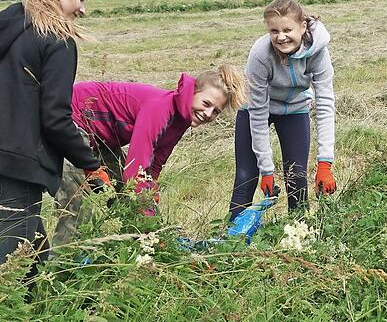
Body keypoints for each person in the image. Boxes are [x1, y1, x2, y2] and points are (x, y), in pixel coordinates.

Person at [53, 65, 247, 245]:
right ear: (193, 92)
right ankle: (60, 266)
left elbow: (154, 165)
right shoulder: (160, 108)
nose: (207, 113)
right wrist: (148, 214)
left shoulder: (181, 121)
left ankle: (139, 246)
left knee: (124, 196)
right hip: (72, 119)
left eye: (215, 112)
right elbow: (134, 170)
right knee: (77, 203)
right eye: (206, 103)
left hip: (101, 138)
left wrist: (150, 197)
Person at [0, 0, 109, 265]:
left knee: (36, 257)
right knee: (9, 269)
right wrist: (90, 165)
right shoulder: (58, 41)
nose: (83, 10)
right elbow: (55, 118)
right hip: (16, 166)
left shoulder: (10, 28)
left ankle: (43, 306)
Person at [229, 0, 336, 220]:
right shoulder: (260, 54)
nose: (281, 36)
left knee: (296, 177)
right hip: (255, 109)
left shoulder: (318, 52)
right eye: (274, 31)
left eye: (288, 29)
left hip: (294, 109)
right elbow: (258, 113)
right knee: (246, 177)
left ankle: (298, 233)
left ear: (302, 26)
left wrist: (325, 163)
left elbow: (325, 104)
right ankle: (231, 240)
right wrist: (266, 170)